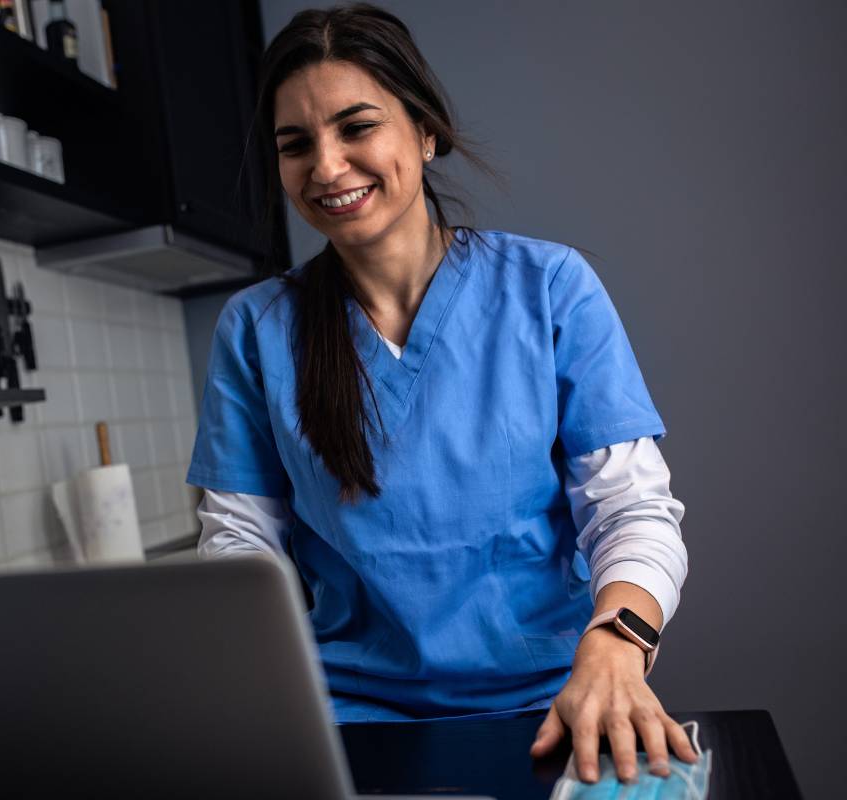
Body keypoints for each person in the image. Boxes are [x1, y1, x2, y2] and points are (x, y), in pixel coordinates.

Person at [185, 2, 699, 786]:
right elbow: (239, 545)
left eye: (357, 127)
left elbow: (631, 510)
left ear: (425, 132)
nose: (327, 166)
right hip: (345, 723)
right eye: (296, 145)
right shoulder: (257, 329)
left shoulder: (550, 289)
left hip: (554, 708)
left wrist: (616, 642)